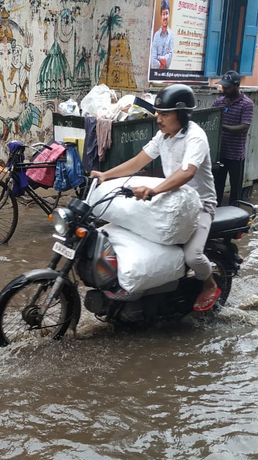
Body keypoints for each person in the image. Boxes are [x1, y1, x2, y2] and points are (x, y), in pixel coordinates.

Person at [89, 84, 221, 312]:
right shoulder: (164, 136)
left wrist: (154, 190)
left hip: (200, 206)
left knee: (193, 255)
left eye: (165, 114)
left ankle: (209, 284)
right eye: (158, 113)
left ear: (182, 114)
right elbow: (139, 160)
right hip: (173, 201)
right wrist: (106, 175)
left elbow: (187, 171)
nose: (158, 118)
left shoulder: (195, 137)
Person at [212, 70, 254, 206]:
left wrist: (222, 127)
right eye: (223, 86)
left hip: (236, 155)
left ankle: (235, 214)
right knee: (217, 186)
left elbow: (243, 127)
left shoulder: (246, 104)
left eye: (227, 87)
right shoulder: (219, 102)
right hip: (220, 153)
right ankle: (216, 214)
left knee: (235, 190)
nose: (224, 89)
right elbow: (210, 119)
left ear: (237, 86)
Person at [149, 0, 174, 70]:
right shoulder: (156, 35)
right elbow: (153, 60)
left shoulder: (171, 36)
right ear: (161, 16)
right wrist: (162, 63)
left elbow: (169, 59)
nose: (165, 16)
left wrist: (159, 57)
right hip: (155, 74)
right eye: (163, 14)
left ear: (169, 15)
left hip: (166, 75)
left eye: (167, 13)